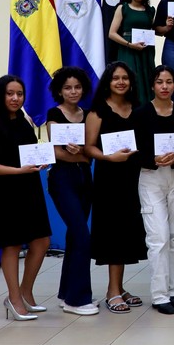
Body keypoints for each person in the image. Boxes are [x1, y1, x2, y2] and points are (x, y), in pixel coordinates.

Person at [0, 75, 52, 321]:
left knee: (41, 241)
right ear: (0, 95)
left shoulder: (26, 120)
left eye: (19, 93)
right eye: (10, 93)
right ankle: (14, 298)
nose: (15, 98)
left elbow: (30, 152)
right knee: (11, 245)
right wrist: (17, 171)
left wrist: (40, 160)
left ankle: (26, 292)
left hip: (30, 188)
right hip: (5, 191)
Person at [85, 62, 148, 314]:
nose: (120, 82)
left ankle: (119, 288)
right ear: (107, 82)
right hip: (109, 178)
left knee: (127, 232)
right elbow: (88, 147)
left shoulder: (138, 109)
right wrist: (109, 158)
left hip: (134, 178)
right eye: (115, 78)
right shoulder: (97, 112)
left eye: (125, 78)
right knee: (113, 233)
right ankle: (112, 291)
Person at [134, 66, 174, 315]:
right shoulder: (140, 114)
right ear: (152, 85)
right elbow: (135, 149)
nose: (165, 86)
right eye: (160, 82)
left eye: (170, 82)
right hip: (151, 177)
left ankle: (170, 290)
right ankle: (159, 296)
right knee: (158, 237)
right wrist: (153, 159)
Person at [46, 67, 98, 316]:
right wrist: (75, 155)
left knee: (73, 236)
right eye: (68, 87)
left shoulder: (88, 114)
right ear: (59, 90)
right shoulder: (53, 114)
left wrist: (83, 154)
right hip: (62, 179)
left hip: (84, 179)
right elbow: (55, 152)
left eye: (77, 87)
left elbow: (91, 150)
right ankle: (78, 300)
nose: (73, 91)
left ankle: (67, 292)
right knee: (81, 235)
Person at [108, 0, 156, 104]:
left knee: (147, 81)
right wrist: (129, 44)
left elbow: (153, 31)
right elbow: (112, 33)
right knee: (131, 82)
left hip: (146, 53)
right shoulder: (122, 8)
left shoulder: (150, 10)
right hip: (128, 51)